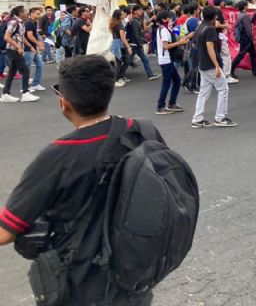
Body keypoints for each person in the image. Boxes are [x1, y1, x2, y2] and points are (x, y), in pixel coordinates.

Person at [0, 55, 158, 305]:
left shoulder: (58, 156)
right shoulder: (141, 131)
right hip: (134, 278)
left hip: (83, 285)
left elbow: (5, 232)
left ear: (64, 102)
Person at [191, 6, 237, 128]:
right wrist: (217, 65)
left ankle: (197, 118)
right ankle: (220, 118)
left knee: (203, 92)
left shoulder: (199, 27)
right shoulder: (210, 29)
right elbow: (210, 48)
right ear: (215, 17)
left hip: (202, 63)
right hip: (210, 65)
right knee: (223, 89)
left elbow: (195, 45)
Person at [155, 10, 191, 115]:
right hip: (166, 59)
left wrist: (180, 40)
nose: (170, 20)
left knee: (176, 81)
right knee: (167, 83)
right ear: (164, 19)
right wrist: (180, 42)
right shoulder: (164, 30)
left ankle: (171, 103)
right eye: (168, 18)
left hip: (167, 59)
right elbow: (166, 46)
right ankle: (160, 106)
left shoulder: (163, 29)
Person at [1, 6, 39, 103]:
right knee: (25, 70)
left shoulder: (21, 23)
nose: (27, 13)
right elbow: (7, 37)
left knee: (12, 72)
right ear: (20, 13)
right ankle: (25, 93)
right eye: (25, 11)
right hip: (13, 50)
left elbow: (22, 37)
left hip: (15, 50)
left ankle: (5, 94)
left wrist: (30, 46)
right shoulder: (14, 22)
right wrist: (18, 47)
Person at [128, 5, 160, 80]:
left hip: (135, 44)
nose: (141, 11)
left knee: (143, 59)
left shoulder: (137, 20)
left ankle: (150, 75)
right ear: (135, 11)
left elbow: (138, 33)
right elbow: (136, 34)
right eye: (139, 10)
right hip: (135, 44)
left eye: (142, 10)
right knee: (127, 61)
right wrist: (140, 44)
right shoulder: (135, 21)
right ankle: (118, 75)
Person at [230, 1, 256, 78]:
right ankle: (231, 70)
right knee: (241, 55)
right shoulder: (244, 16)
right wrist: (252, 38)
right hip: (246, 39)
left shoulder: (241, 15)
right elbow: (248, 29)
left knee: (253, 54)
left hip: (244, 38)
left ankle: (255, 71)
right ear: (245, 7)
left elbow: (250, 21)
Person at [23, 7, 46, 92]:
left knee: (39, 65)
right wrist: (39, 44)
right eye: (38, 13)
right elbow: (29, 36)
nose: (39, 15)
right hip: (28, 49)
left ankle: (35, 84)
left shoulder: (34, 22)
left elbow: (34, 34)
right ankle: (24, 87)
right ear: (32, 14)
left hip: (33, 48)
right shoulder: (29, 23)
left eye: (40, 13)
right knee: (27, 68)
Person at [110, 9, 132, 87]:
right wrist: (128, 47)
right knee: (119, 62)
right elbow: (122, 37)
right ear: (119, 16)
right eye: (122, 14)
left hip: (116, 43)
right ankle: (115, 80)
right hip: (119, 44)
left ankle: (119, 77)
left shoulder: (115, 22)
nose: (124, 15)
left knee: (125, 60)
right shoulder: (119, 24)